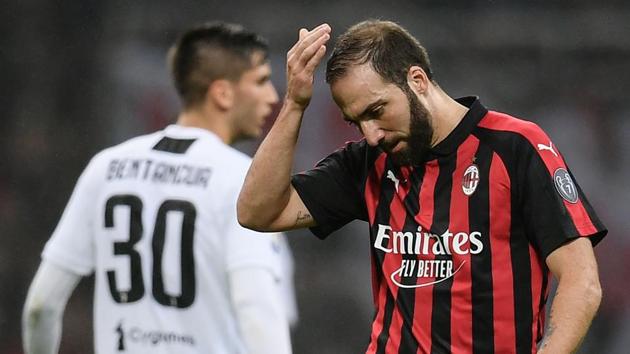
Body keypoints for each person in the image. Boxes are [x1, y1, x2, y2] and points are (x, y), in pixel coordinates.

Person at [237, 20, 607, 354]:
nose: (371, 134)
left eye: (376, 110)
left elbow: (581, 281)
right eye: (355, 122)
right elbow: (257, 212)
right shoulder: (368, 161)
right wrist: (295, 104)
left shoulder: (514, 147)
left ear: (417, 80)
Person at [22, 22, 294, 354]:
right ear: (222, 93)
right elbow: (257, 307)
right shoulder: (242, 179)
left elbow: (41, 306)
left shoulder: (107, 167)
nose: (272, 96)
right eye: (261, 81)